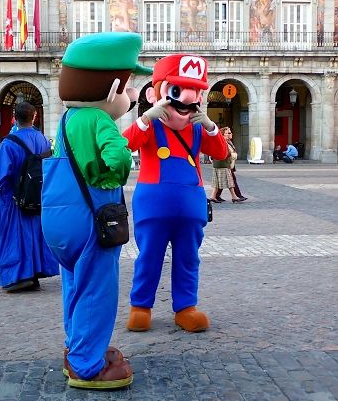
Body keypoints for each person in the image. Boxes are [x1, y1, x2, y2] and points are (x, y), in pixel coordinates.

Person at [41, 32, 147, 389]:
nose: (132, 96)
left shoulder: (68, 118)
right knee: (97, 289)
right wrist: (113, 174)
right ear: (113, 87)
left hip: (60, 219)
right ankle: (87, 366)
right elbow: (118, 156)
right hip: (91, 218)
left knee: (74, 284)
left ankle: (78, 348)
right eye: (128, 87)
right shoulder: (99, 119)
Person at [123, 54, 228, 335]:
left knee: (188, 259)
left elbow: (221, 153)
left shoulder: (197, 128)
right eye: (177, 90)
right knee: (149, 257)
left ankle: (185, 307)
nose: (187, 100)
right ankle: (140, 307)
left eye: (195, 92)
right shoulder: (151, 125)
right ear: (154, 94)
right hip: (154, 206)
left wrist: (211, 126)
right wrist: (145, 118)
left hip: (191, 207)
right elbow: (124, 145)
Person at [0, 102, 59, 292]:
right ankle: (34, 274)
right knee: (35, 233)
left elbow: (1, 173)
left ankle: (17, 277)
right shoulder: (43, 140)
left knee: (13, 236)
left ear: (14, 118)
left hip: (13, 199)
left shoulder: (9, 143)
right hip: (37, 196)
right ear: (34, 117)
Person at [210, 127, 243, 204]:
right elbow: (225, 153)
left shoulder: (225, 142)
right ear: (222, 134)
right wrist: (233, 154)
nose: (229, 134)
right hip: (222, 164)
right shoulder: (222, 142)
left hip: (222, 164)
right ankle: (234, 196)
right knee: (230, 181)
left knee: (219, 182)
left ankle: (213, 196)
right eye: (227, 133)